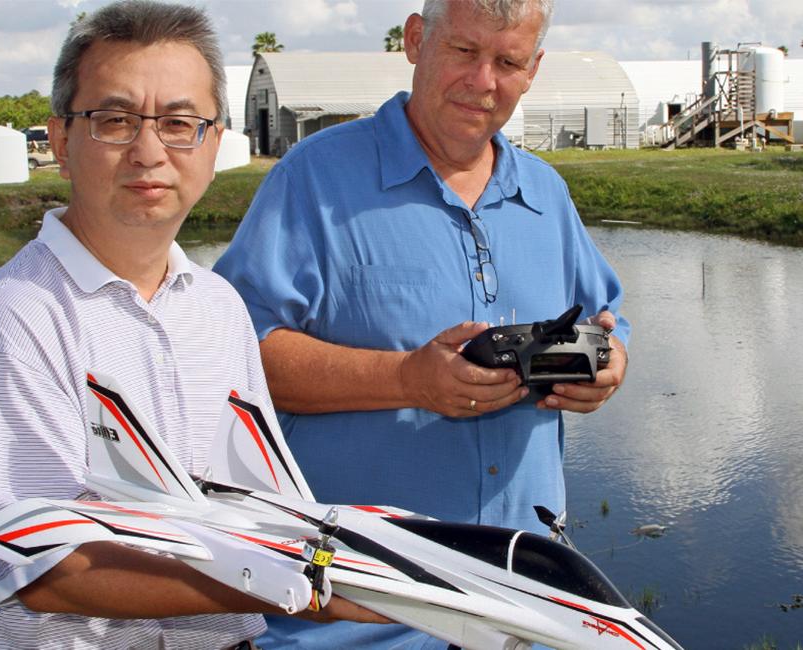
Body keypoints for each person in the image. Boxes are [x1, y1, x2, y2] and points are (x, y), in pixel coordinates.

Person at [0, 2, 381, 647]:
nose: (149, 151)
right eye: (115, 121)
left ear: (211, 142)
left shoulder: (219, 307)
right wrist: (309, 588)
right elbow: (44, 567)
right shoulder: (17, 316)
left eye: (179, 123)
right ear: (61, 141)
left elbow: (256, 499)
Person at [215, 0, 630, 647]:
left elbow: (609, 317)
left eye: (507, 61)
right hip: (354, 620)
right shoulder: (313, 179)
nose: (482, 80)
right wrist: (408, 378)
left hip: (525, 610)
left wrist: (606, 366)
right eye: (464, 52)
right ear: (415, 40)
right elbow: (232, 359)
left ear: (533, 69)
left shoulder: (546, 195)